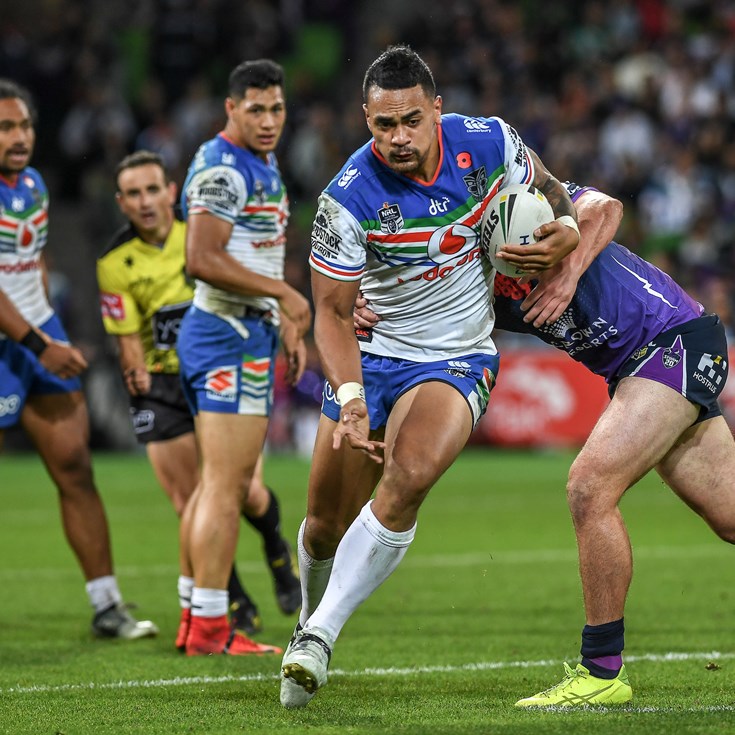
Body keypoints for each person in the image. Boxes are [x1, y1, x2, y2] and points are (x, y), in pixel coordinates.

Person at [278, 45, 581, 707]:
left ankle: (320, 635)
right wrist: (351, 397)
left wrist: (563, 227)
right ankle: (308, 611)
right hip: (375, 355)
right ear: (364, 118)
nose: (398, 138)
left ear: (436, 109)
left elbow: (553, 190)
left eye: (411, 120)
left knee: (409, 472)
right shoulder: (346, 199)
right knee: (323, 526)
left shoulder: (490, 143)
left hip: (457, 358)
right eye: (382, 125)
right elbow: (330, 313)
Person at [358, 181, 735, 707]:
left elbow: (606, 206)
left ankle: (602, 672)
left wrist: (569, 272)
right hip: (640, 367)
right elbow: (407, 310)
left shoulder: (534, 207)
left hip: (673, 343)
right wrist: (364, 307)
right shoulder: (468, 283)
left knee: (589, 486)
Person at [96, 150, 302, 649]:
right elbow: (126, 337)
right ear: (121, 203)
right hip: (163, 389)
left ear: (172, 192)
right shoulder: (114, 263)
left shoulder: (204, 237)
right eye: (134, 194)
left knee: (241, 492)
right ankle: (227, 602)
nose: (146, 202)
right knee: (192, 499)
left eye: (153, 189)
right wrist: (133, 366)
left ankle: (275, 549)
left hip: (216, 369)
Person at [0, 79, 158, 640]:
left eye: (24, 126)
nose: (19, 137)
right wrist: (42, 344)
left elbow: (30, 260)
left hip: (38, 338)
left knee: (74, 466)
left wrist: (49, 323)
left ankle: (106, 605)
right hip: (15, 345)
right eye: (5, 128)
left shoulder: (35, 184)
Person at [177, 59, 312, 656]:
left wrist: (279, 314)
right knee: (228, 489)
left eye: (276, 109)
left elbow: (249, 254)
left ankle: (194, 614)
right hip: (228, 335)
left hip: (238, 329)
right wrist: (284, 293)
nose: (268, 120)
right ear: (229, 109)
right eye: (255, 109)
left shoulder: (260, 161)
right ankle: (209, 627)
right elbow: (200, 257)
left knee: (214, 485)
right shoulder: (224, 168)